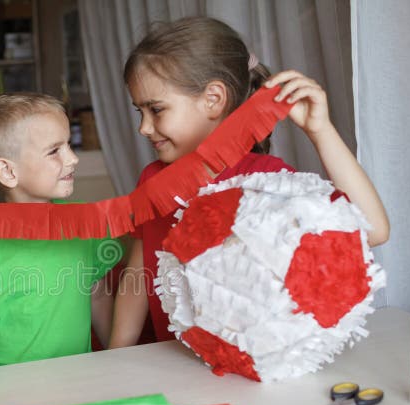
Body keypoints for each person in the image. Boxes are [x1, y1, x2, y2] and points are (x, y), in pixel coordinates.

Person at [108, 16, 390, 348]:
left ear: (213, 99)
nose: (144, 127)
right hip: (166, 360)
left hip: (241, 369)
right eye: (139, 111)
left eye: (156, 109)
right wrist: (118, 354)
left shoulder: (266, 182)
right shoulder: (152, 178)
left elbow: (373, 230)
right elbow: (139, 270)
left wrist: (320, 131)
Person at [0, 93, 121, 367]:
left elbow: (97, 294)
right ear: (8, 172)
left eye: (69, 145)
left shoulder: (86, 223)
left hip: (78, 383)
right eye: (54, 151)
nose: (73, 159)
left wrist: (117, 359)